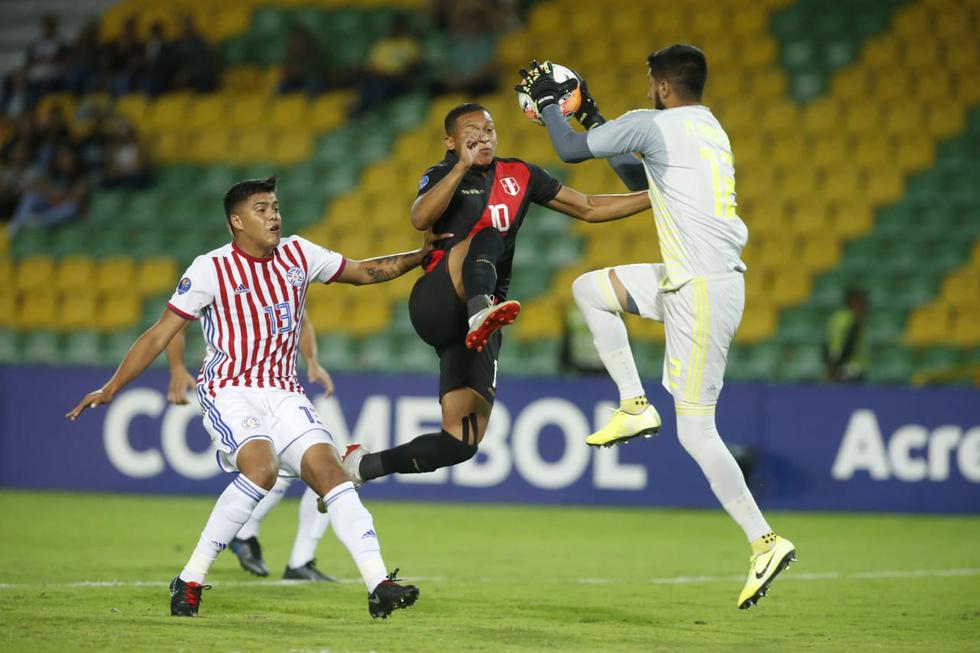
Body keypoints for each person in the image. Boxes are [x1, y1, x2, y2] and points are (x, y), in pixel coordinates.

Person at [67, 176, 445, 619]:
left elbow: (362, 272)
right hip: (230, 390)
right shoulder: (210, 268)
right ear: (237, 221)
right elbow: (160, 333)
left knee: (332, 474)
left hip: (284, 390)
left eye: (276, 207)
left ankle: (379, 583)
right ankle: (190, 579)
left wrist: (420, 257)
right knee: (262, 469)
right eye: (262, 209)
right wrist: (113, 387)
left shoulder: (299, 254)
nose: (274, 216)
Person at [515, 48, 796, 609]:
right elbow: (640, 174)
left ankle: (764, 541)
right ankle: (634, 403)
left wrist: (550, 105)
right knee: (589, 291)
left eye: (649, 82)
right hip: (689, 279)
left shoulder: (657, 123)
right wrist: (591, 114)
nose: (646, 90)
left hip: (701, 289)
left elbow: (568, 152)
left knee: (695, 431)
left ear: (664, 87)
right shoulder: (708, 127)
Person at [341, 102, 651, 493]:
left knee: (460, 442)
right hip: (438, 302)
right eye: (472, 133)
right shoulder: (440, 174)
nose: (483, 138)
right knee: (489, 235)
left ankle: (360, 466)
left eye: (488, 130)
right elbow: (420, 219)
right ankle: (479, 311)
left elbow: (588, 207)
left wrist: (654, 196)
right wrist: (459, 168)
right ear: (450, 142)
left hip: (479, 324)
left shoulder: (520, 174)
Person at [167, 312, 338, 581]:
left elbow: (302, 321)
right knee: (273, 468)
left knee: (326, 469)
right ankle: (267, 546)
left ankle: (280, 550)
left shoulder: (282, 274)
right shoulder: (219, 274)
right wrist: (177, 368)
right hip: (233, 392)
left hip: (276, 391)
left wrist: (312, 362)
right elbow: (174, 324)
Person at [823, 287, 868, 382]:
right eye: (860, 301)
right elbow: (849, 343)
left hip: (835, 362)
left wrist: (830, 364)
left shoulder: (836, 316)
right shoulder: (853, 319)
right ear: (852, 302)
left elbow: (827, 341)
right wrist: (835, 366)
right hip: (850, 366)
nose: (864, 305)